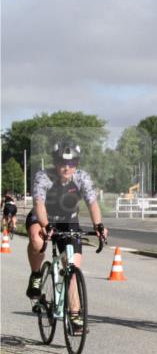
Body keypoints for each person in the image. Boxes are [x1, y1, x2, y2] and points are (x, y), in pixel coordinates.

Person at [25, 141, 108, 334]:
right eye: (62, 162)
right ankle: (36, 275)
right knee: (37, 239)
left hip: (68, 221)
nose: (67, 167)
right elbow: (38, 204)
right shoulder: (44, 176)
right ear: (55, 162)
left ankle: (75, 315)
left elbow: (92, 203)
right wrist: (46, 226)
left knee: (72, 268)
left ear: (77, 164)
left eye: (72, 163)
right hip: (43, 217)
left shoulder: (81, 178)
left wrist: (99, 226)